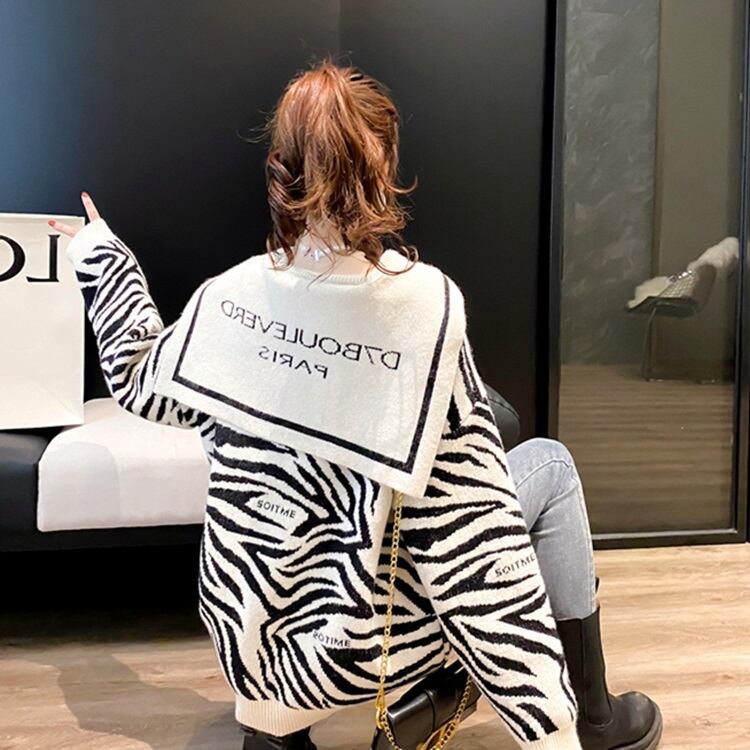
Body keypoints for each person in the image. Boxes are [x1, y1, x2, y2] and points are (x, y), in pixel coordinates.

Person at [51, 59, 660, 750]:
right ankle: (586, 713)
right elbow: (471, 537)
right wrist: (549, 729)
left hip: (255, 639)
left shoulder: (232, 298)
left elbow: (137, 378)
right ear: (384, 166)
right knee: (545, 464)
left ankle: (276, 729)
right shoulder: (422, 309)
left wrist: (100, 256)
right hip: (365, 643)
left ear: (280, 170)